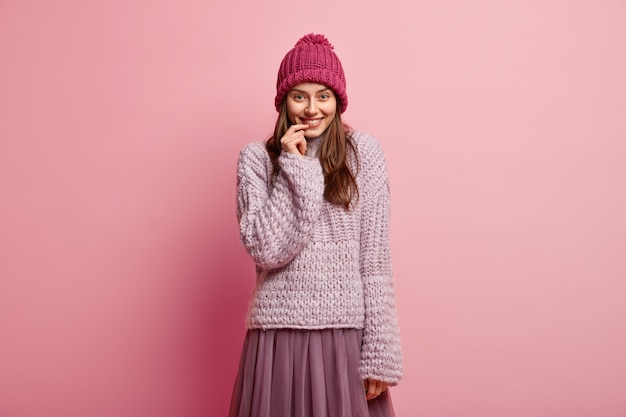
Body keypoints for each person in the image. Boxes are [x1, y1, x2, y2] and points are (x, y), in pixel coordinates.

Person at [229, 33, 403, 417]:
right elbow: (266, 250)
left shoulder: (364, 154)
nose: (311, 109)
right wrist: (297, 166)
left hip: (343, 337)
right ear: (283, 102)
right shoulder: (256, 159)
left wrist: (381, 352)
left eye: (323, 95)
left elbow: (374, 260)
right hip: (276, 339)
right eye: (299, 96)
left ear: (338, 101)